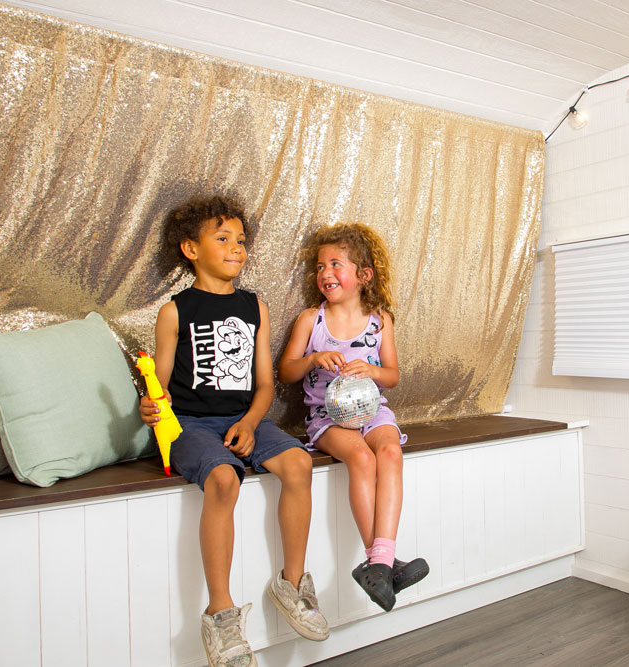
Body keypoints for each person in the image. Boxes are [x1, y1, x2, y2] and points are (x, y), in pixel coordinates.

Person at [139, 196, 329, 667]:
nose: (236, 248)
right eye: (222, 239)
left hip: (247, 419)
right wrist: (149, 406)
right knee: (224, 479)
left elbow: (264, 385)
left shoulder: (255, 307)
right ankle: (221, 615)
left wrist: (248, 423)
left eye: (241, 240)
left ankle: (292, 583)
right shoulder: (174, 312)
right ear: (191, 249)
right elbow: (159, 388)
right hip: (191, 425)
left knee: (299, 462)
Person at [278, 222, 428, 613]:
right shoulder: (311, 320)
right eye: (320, 266)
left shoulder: (380, 321)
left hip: (373, 411)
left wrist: (372, 370)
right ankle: (382, 563)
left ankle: (380, 562)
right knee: (361, 457)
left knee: (389, 452)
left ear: (364, 275)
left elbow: (392, 375)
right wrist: (313, 358)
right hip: (327, 417)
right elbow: (286, 371)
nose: (325, 273)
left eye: (335, 264)